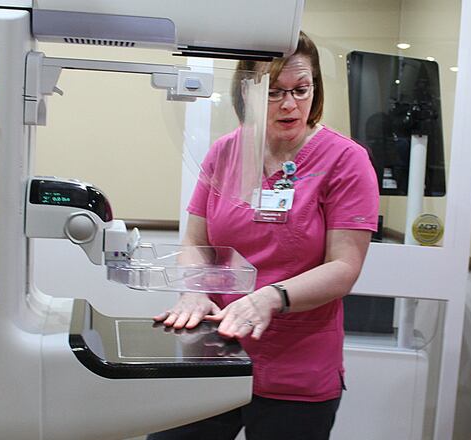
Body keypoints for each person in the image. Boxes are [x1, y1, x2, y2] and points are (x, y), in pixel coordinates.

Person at [149, 31, 379, 440]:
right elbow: (195, 244)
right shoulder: (225, 151)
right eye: (274, 93)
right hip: (215, 350)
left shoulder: (346, 160)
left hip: (297, 368)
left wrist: (271, 298)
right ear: (248, 93)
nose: (290, 104)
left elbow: (344, 267)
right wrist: (194, 291)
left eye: (301, 90)